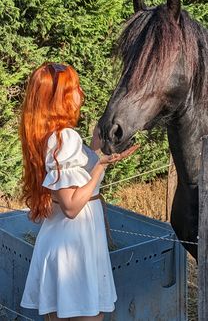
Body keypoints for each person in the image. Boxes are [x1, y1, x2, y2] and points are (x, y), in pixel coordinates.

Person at [19, 62, 138, 321]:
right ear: (59, 97)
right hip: (73, 249)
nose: (80, 94)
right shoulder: (65, 138)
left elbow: (76, 185)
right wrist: (99, 166)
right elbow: (72, 205)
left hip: (68, 243)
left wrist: (98, 155)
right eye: (74, 88)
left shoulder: (48, 136)